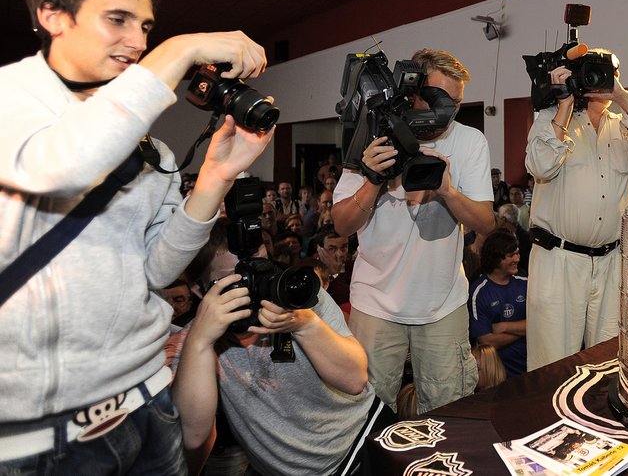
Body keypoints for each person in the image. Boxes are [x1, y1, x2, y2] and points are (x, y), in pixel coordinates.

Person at [0, 0, 272, 473]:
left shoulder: (152, 151)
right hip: (40, 437)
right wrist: (178, 50)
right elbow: (64, 166)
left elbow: (157, 269)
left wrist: (215, 177)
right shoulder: (9, 100)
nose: (137, 41)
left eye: (146, 27)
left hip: (146, 401)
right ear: (53, 15)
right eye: (118, 19)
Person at [331, 48, 493, 413]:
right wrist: (372, 180)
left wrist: (448, 193)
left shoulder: (469, 141)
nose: (448, 110)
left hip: (442, 305)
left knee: (450, 412)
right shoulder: (370, 134)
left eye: (457, 102)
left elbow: (486, 223)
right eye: (441, 99)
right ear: (413, 89)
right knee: (365, 412)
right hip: (376, 304)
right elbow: (341, 225)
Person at [168, 220, 387, 476]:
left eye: (259, 268)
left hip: (361, 442)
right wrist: (200, 342)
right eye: (236, 280)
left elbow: (355, 380)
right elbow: (193, 437)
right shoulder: (194, 341)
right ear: (199, 288)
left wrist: (305, 324)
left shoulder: (298, 296)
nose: (253, 286)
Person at [525, 47, 628, 370]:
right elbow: (540, 166)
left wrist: (622, 95)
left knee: (610, 359)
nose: (601, 80)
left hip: (611, 262)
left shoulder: (622, 126)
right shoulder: (552, 119)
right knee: (552, 366)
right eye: (593, 72)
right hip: (559, 261)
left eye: (610, 73)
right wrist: (563, 106)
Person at [468, 231, 528, 376]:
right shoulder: (478, 292)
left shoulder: (526, 283)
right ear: (496, 259)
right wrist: (524, 331)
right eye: (511, 255)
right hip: (497, 374)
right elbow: (487, 341)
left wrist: (505, 327)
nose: (517, 259)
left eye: (518, 253)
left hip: (530, 366)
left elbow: (540, 323)